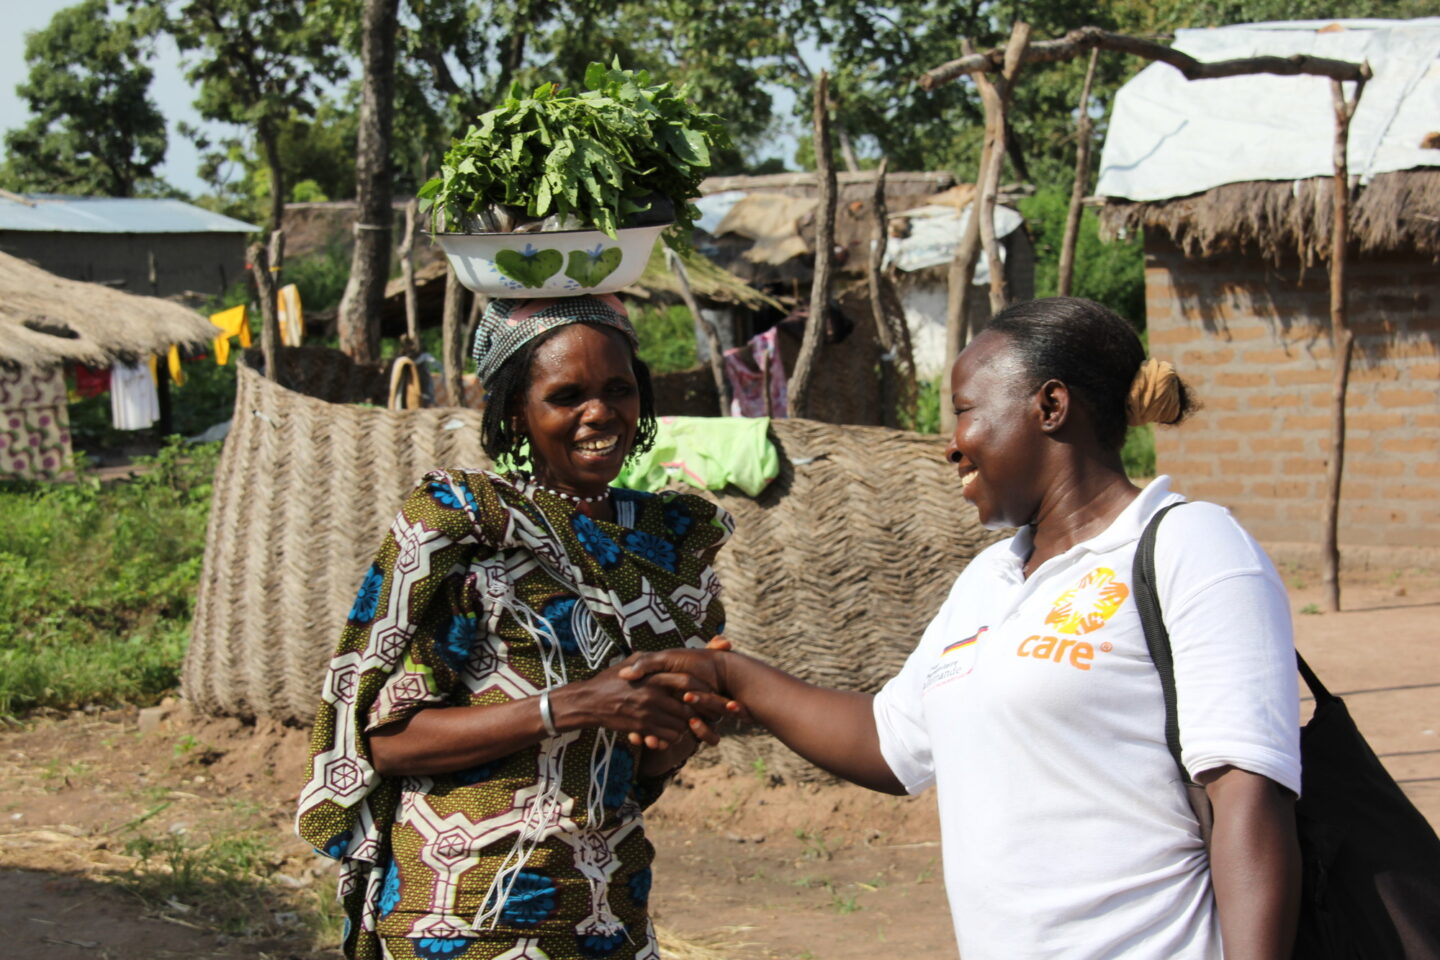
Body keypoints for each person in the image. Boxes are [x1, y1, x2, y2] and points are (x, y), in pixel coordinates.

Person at [621, 297, 1303, 960]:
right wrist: (732, 675)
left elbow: (1247, 798)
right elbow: (890, 741)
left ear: (1051, 407)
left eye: (967, 412)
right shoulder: (991, 577)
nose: (952, 446)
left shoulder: (1191, 547)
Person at [298, 295, 736, 960]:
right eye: (567, 395)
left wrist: (684, 726)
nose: (600, 413)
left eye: (619, 389)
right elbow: (388, 741)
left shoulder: (671, 547)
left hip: (604, 903)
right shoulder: (472, 537)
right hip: (462, 913)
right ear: (514, 413)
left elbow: (639, 765)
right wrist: (574, 704)